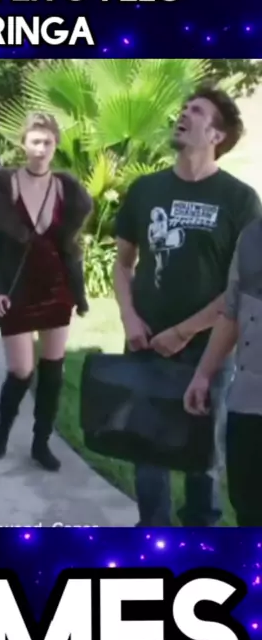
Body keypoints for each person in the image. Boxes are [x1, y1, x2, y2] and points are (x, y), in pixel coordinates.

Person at [113, 87, 262, 527]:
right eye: (184, 108)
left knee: (203, 458)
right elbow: (123, 264)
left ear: (216, 135)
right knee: (146, 451)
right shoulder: (146, 189)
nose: (183, 113)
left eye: (196, 111)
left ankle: (202, 538)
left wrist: (184, 331)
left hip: (208, 350)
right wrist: (129, 317)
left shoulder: (240, 200)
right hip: (144, 344)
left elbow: (242, 288)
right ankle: (152, 535)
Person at [0, 113, 93, 471]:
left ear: (55, 145)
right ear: (23, 144)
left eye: (47, 142)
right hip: (17, 288)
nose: (41, 149)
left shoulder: (66, 190)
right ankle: (3, 429)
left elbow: (69, 247)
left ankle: (41, 443)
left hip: (56, 286)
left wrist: (78, 289)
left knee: (53, 369)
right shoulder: (4, 187)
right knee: (21, 369)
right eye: (35, 142)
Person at [184, 217, 262, 526]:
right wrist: (203, 374)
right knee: (249, 509)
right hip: (248, 406)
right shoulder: (252, 237)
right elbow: (231, 313)